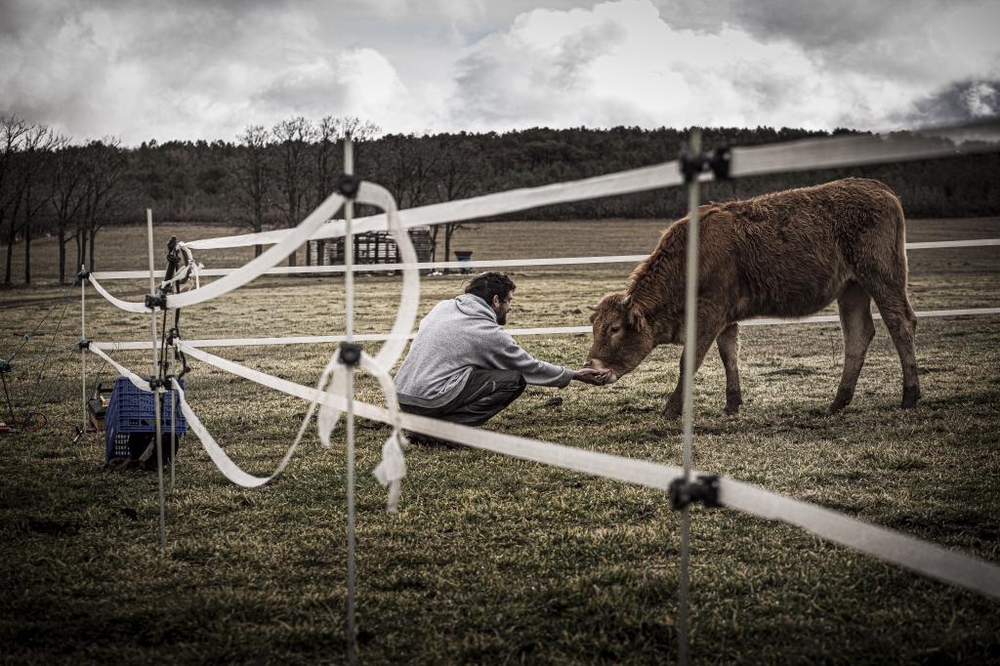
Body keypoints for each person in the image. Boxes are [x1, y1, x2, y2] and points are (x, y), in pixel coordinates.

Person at [395, 272, 604, 440]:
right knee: (513, 381)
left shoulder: (443, 307)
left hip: (402, 394)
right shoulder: (486, 332)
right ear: (496, 301)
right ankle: (442, 431)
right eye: (508, 301)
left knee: (482, 370)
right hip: (432, 399)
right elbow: (528, 366)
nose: (510, 307)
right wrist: (575, 375)